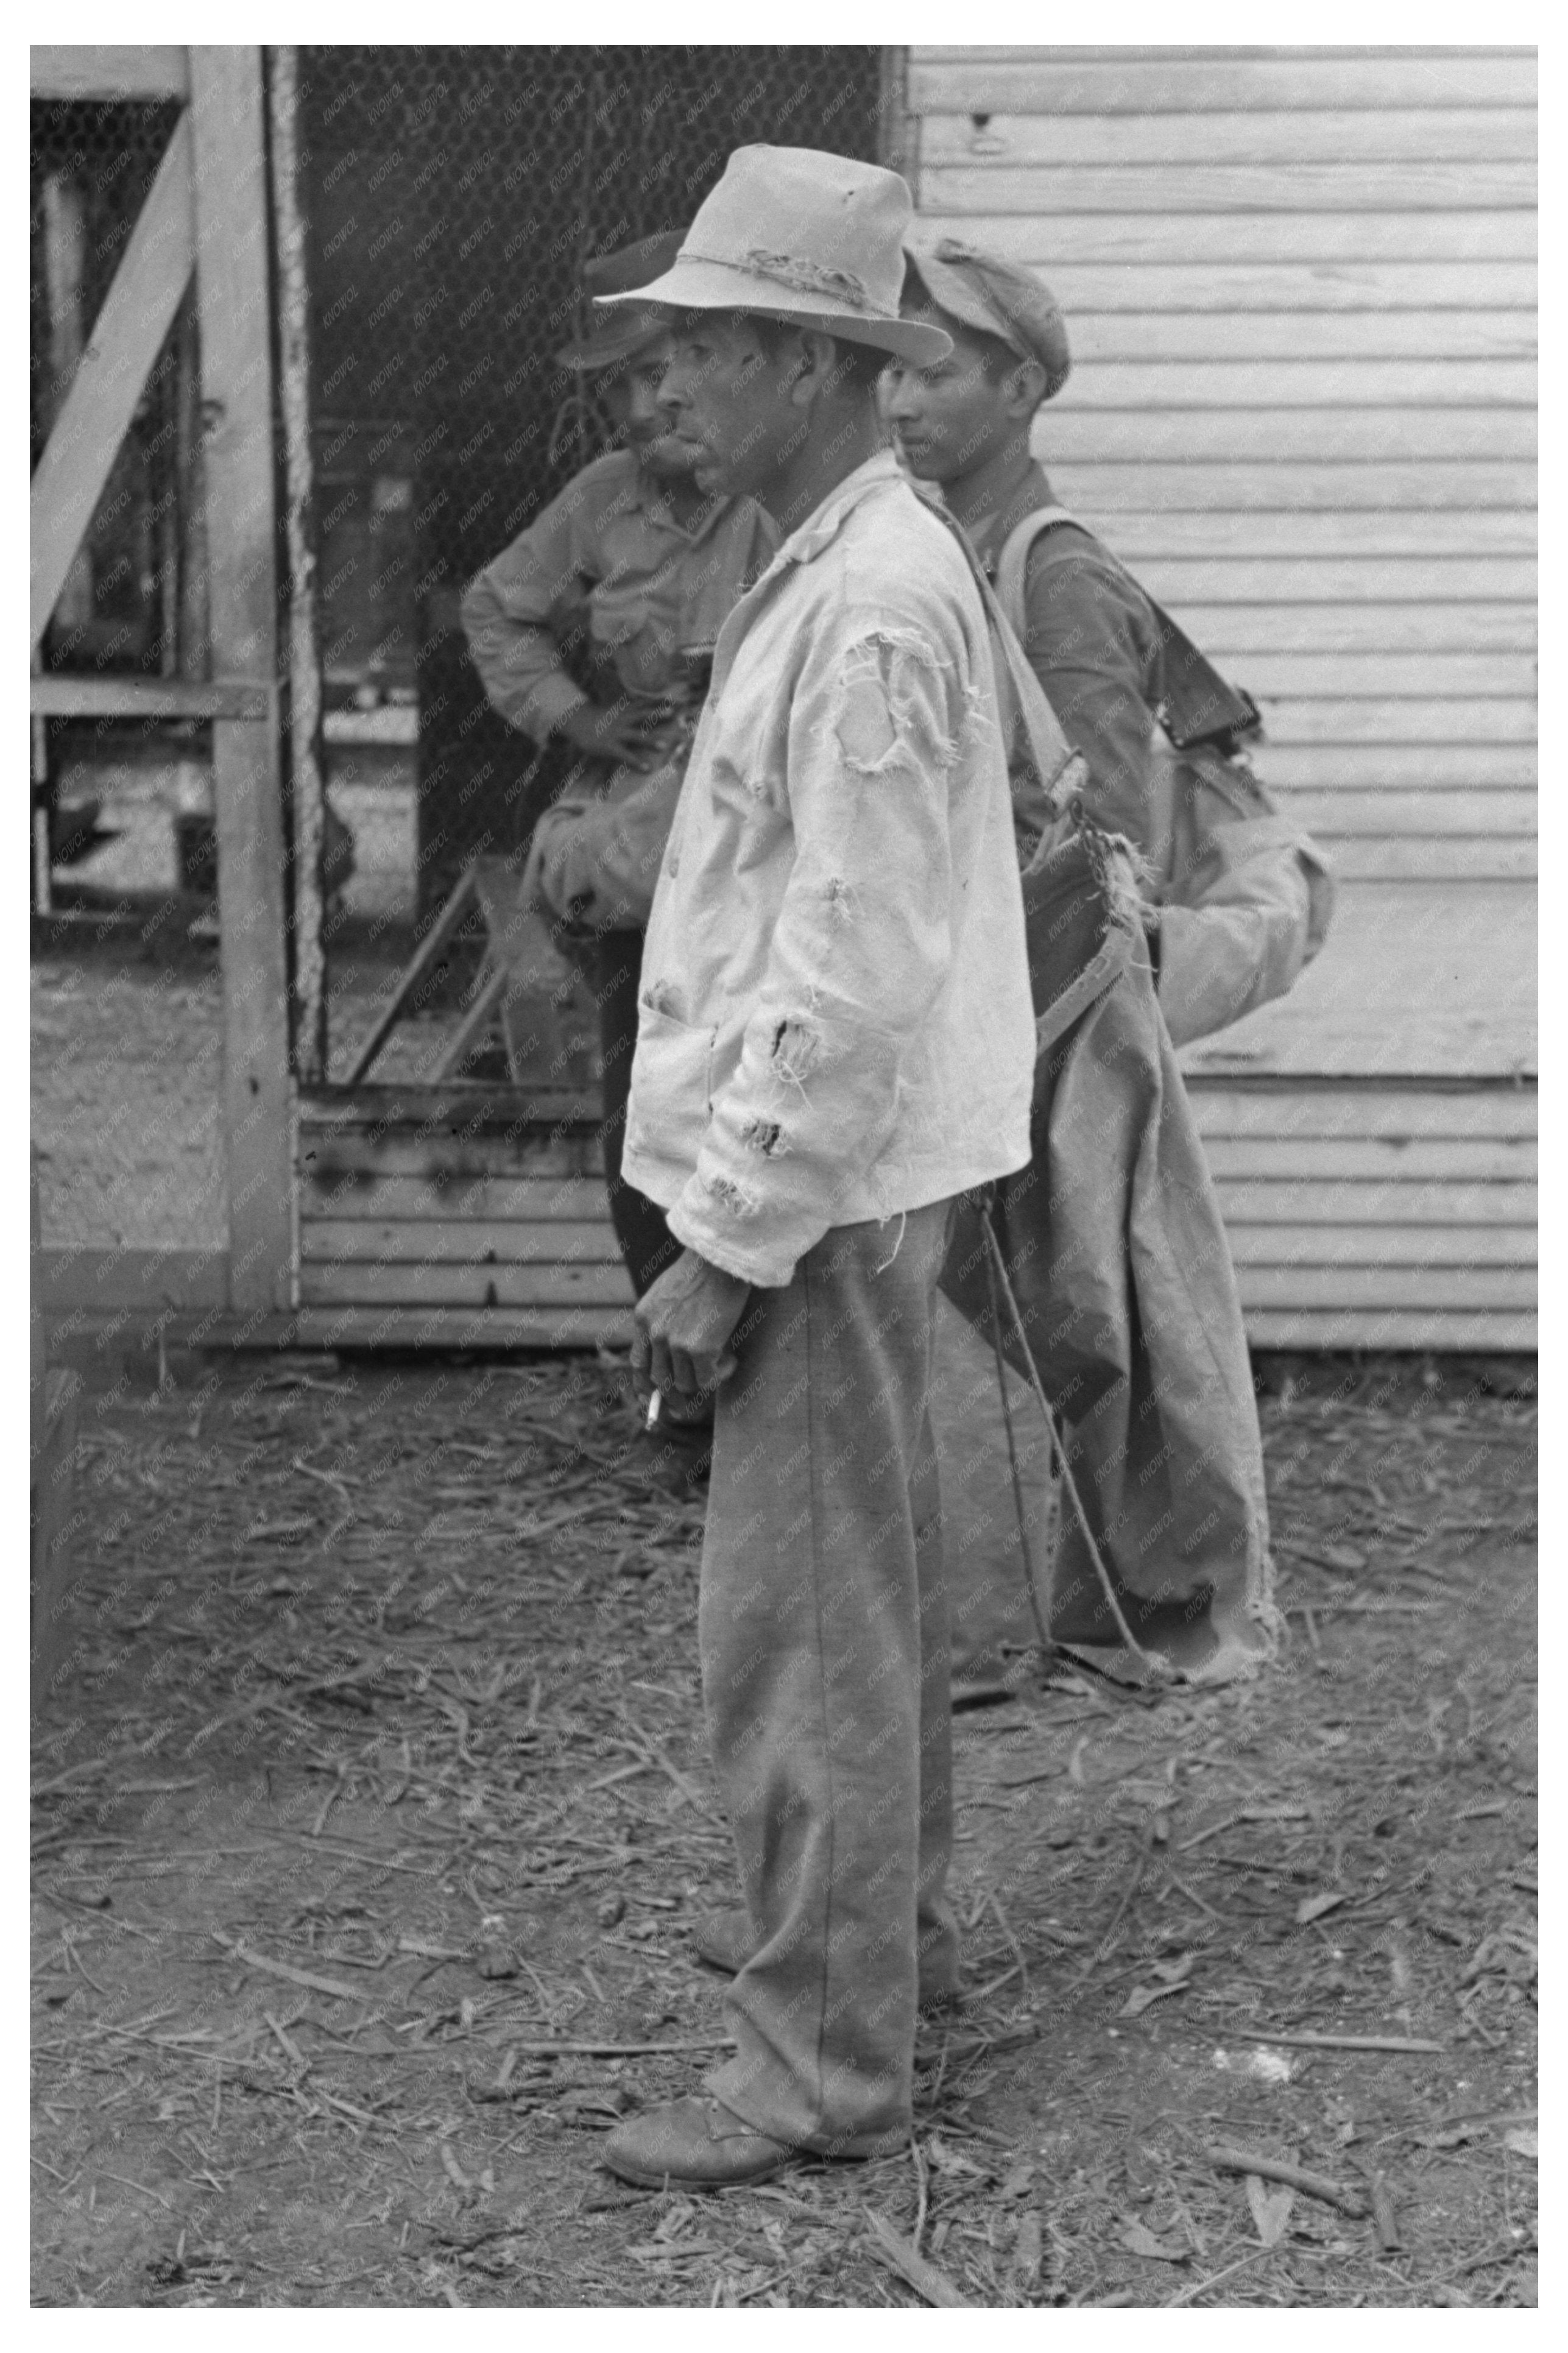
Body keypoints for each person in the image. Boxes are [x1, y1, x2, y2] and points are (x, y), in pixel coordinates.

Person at [585, 145, 1039, 2191]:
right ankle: (872, 1947)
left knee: (802, 1629)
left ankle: (819, 2066)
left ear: (811, 361)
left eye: (703, 352)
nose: (660, 391)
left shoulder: (866, 594)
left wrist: (724, 1240)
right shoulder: (837, 549)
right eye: (662, 355)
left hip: (822, 1198)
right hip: (848, 1185)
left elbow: (849, 965)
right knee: (864, 1597)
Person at [884, 238, 1329, 1047]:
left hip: (1021, 1024)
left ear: (1018, 390)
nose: (900, 404)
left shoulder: (1057, 580)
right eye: (894, 373)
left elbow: (1096, 858)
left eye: (937, 376)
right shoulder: (953, 544)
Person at [461, 234, 778, 1317]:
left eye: (659, 372)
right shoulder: (602, 499)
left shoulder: (781, 490)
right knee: (646, 1098)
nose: (643, 409)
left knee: (763, 1097)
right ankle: (668, 1352)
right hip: (641, 850)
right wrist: (582, 721)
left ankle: (763, 1363)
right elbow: (496, 609)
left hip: (764, 848)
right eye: (618, 389)